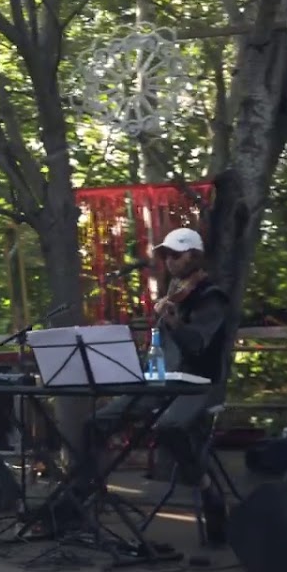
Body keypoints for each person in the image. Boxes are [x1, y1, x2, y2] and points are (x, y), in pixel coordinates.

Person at [82, 227, 231, 543]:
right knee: (98, 421)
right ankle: (89, 494)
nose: (170, 261)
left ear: (195, 256)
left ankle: (208, 490)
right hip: (164, 381)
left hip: (200, 383)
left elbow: (198, 346)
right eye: (166, 256)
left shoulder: (212, 297)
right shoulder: (174, 294)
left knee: (170, 426)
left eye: (176, 255)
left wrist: (174, 322)